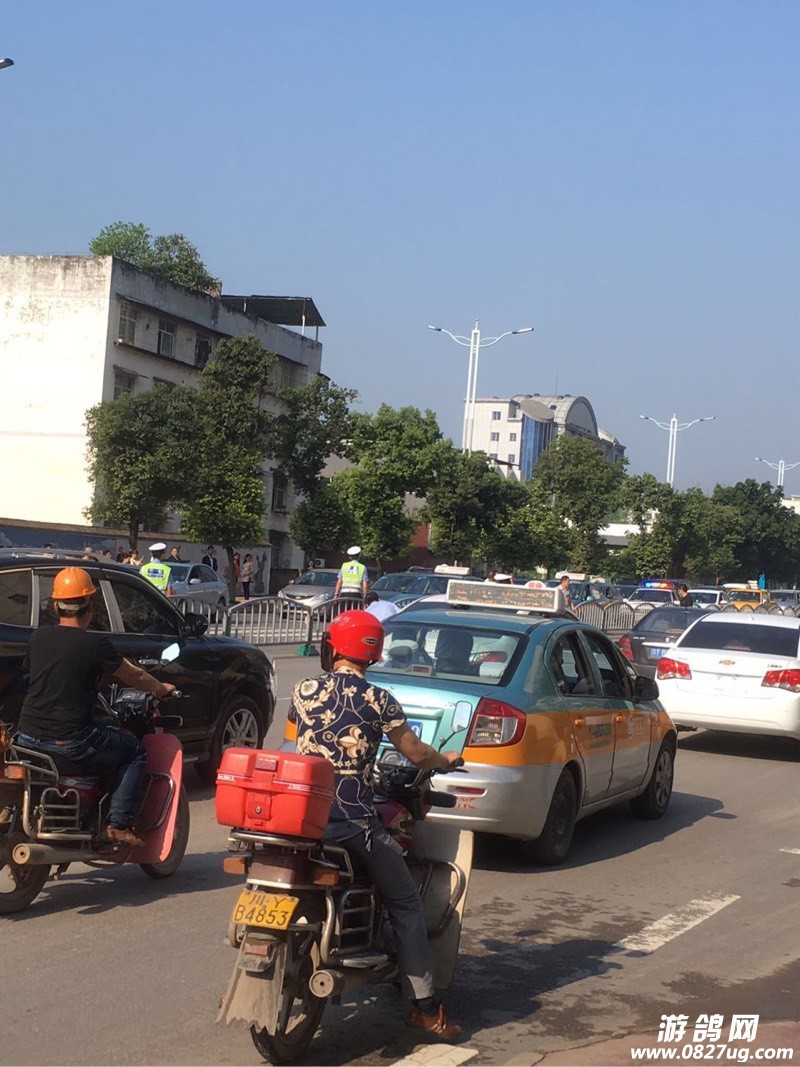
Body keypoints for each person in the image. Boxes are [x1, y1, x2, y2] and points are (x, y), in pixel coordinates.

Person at [291, 611, 462, 1040]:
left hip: (300, 814)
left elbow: (303, 737)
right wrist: (445, 761)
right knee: (405, 901)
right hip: (349, 820)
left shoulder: (303, 689)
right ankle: (424, 1006)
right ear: (374, 654)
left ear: (332, 646)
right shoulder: (379, 700)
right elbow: (416, 753)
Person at [16, 567, 176, 846]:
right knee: (134, 751)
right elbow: (135, 676)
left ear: (56, 605)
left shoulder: (38, 637)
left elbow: (32, 676)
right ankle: (117, 824)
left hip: (27, 738)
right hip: (69, 741)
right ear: (90, 605)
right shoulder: (95, 645)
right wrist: (161, 689)